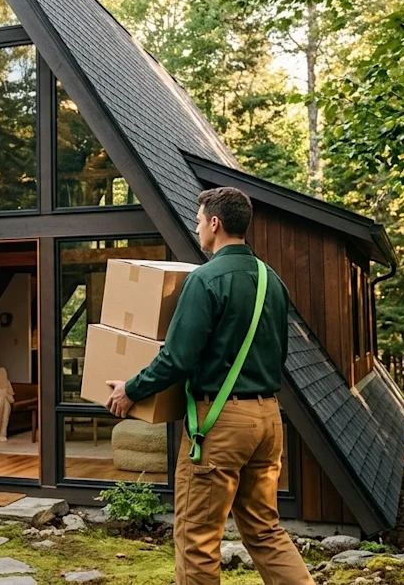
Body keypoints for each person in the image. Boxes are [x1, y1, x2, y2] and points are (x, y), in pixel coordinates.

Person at [105, 187, 313, 585]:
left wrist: (131, 389)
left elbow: (176, 358)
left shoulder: (205, 280)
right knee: (265, 529)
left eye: (199, 220)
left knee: (197, 536)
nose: (197, 227)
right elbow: (279, 355)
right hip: (268, 420)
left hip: (220, 424)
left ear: (215, 223)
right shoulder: (273, 281)